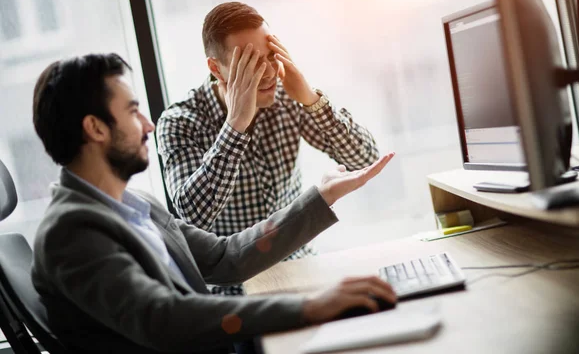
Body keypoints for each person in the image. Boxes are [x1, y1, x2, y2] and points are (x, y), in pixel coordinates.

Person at [31, 53, 395, 354]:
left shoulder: (135, 204)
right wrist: (309, 307)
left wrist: (322, 197)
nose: (148, 125)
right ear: (95, 128)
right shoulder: (71, 231)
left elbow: (225, 258)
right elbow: (164, 319)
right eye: (132, 112)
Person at [156, 2, 379, 295]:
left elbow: (365, 159)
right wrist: (235, 124)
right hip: (236, 291)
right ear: (216, 68)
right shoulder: (180, 122)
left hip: (300, 271)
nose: (269, 73)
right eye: (250, 63)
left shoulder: (287, 99)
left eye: (271, 56)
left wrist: (311, 100)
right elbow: (192, 216)